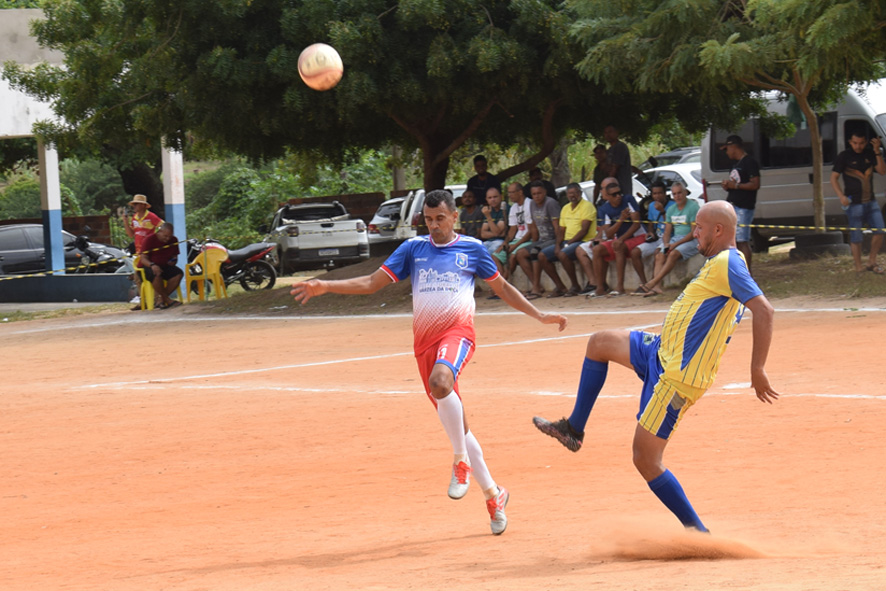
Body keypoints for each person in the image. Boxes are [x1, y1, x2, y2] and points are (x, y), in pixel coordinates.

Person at [291, 190, 567, 535]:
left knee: (441, 384)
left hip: (458, 334)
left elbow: (503, 288)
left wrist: (539, 314)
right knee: (460, 426)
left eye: (440, 218)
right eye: (428, 219)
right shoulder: (413, 249)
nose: (433, 225)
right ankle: (494, 494)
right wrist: (325, 286)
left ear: (454, 217)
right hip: (424, 344)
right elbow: (372, 282)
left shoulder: (472, 250)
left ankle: (458, 462)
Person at [532, 200, 778, 533]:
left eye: (699, 228)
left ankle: (699, 534)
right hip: (660, 352)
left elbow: (764, 310)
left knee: (645, 459)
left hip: (677, 377)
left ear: (718, 230)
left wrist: (757, 369)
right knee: (599, 343)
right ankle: (572, 429)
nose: (694, 232)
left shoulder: (729, 262)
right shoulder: (725, 261)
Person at [830, 131, 886, 273]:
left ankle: (872, 261)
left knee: (880, 230)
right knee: (856, 236)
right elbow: (833, 178)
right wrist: (841, 196)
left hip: (871, 201)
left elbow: (882, 171)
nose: (858, 146)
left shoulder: (869, 154)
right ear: (850, 142)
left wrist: (877, 152)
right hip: (853, 203)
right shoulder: (844, 156)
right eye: (855, 143)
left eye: (861, 143)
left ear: (865, 142)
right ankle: (858, 266)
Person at [633, 182, 700, 296]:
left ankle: (653, 282)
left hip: (690, 240)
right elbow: (667, 231)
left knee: (673, 254)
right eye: (675, 194)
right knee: (660, 254)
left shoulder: (693, 207)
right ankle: (657, 288)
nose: (677, 196)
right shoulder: (671, 209)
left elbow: (693, 233)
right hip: (675, 239)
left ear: (685, 193)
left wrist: (674, 244)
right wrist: (666, 244)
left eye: (679, 193)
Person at [537, 183, 597, 297]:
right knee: (542, 256)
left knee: (563, 254)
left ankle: (575, 286)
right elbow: (561, 230)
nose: (573, 195)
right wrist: (558, 245)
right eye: (570, 193)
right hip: (567, 241)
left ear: (580, 193)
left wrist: (567, 244)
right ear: (567, 195)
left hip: (583, 241)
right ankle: (560, 287)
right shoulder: (565, 208)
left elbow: (584, 230)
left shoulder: (587, 206)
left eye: (575, 193)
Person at [588, 178, 646, 297]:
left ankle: (620, 287)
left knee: (618, 245)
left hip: (637, 235)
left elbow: (636, 224)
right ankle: (600, 287)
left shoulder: (629, 199)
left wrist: (621, 238)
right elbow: (607, 234)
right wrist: (620, 220)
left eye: (619, 193)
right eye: (614, 194)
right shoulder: (604, 209)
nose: (618, 196)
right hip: (621, 238)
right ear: (608, 196)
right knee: (597, 250)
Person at [720, 135, 761, 275]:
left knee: (742, 240)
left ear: (734, 147)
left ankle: (747, 274)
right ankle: (738, 272)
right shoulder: (736, 164)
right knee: (734, 241)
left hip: (744, 207)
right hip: (734, 204)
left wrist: (736, 186)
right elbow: (736, 182)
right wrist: (728, 186)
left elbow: (755, 184)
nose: (726, 153)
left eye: (727, 149)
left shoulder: (749, 162)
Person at [515, 181, 561, 299]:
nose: (537, 196)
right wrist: (534, 241)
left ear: (544, 192)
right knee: (520, 254)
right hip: (542, 240)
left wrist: (558, 244)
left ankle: (535, 289)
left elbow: (557, 226)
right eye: (534, 194)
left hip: (552, 238)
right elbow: (534, 226)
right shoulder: (532, 205)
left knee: (535, 252)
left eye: (539, 193)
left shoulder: (551, 203)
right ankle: (537, 285)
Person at [123, 194, 164, 310]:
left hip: (150, 253)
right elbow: (131, 234)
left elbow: (163, 226)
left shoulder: (151, 216)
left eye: (136, 204)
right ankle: (143, 301)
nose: (134, 206)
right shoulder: (135, 218)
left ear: (142, 205)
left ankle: (157, 300)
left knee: (151, 276)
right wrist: (125, 221)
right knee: (138, 277)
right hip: (139, 252)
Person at [629, 181, 673, 289]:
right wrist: (650, 232)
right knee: (635, 252)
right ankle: (644, 283)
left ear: (664, 193)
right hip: (657, 237)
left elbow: (671, 226)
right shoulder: (651, 205)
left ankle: (653, 284)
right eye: (655, 194)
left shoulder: (673, 205)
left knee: (658, 253)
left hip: (670, 237)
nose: (657, 196)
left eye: (660, 193)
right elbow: (650, 222)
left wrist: (662, 211)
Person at [493, 182, 533, 281]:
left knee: (512, 256)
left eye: (512, 192)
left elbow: (531, 232)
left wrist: (514, 246)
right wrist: (505, 243)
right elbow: (512, 229)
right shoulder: (514, 207)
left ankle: (502, 287)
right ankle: (500, 281)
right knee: (495, 256)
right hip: (517, 240)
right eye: (509, 193)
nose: (510, 195)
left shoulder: (530, 204)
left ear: (520, 192)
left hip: (528, 240)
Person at [139, 222, 183, 309]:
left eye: (169, 236)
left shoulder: (174, 240)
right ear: (159, 232)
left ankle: (161, 299)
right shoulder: (149, 239)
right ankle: (167, 300)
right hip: (148, 266)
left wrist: (173, 261)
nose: (167, 239)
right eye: (165, 236)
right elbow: (143, 258)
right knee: (157, 272)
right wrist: (152, 265)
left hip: (165, 266)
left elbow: (175, 256)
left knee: (178, 273)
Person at [604, 125, 633, 199]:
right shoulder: (610, 149)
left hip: (621, 188)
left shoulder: (620, 147)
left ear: (616, 133)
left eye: (610, 132)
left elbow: (615, 167)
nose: (608, 135)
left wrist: (608, 184)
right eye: (606, 133)